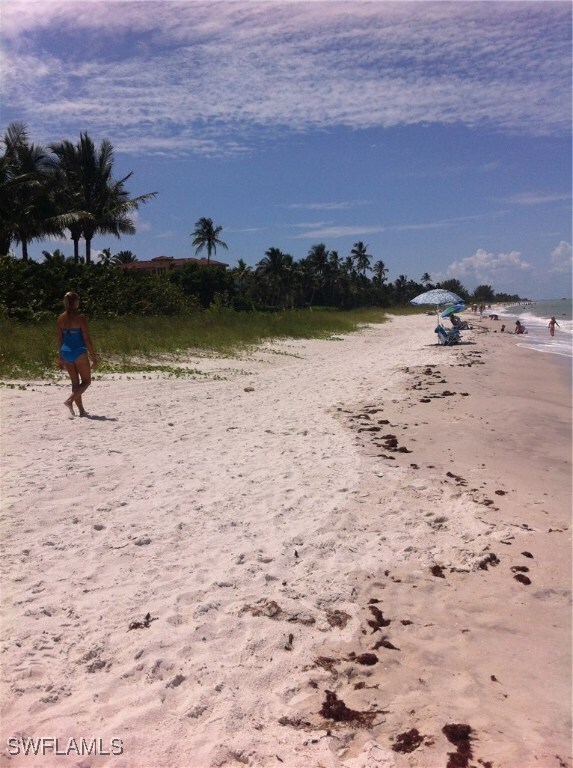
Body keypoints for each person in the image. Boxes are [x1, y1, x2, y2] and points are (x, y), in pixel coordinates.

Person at [57, 291, 99, 416]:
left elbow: (60, 339)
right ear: (75, 302)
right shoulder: (80, 317)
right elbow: (86, 338)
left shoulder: (61, 318)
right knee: (86, 381)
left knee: (75, 384)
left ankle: (81, 411)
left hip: (65, 351)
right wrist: (93, 355)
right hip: (78, 351)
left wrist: (60, 356)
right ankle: (69, 401)